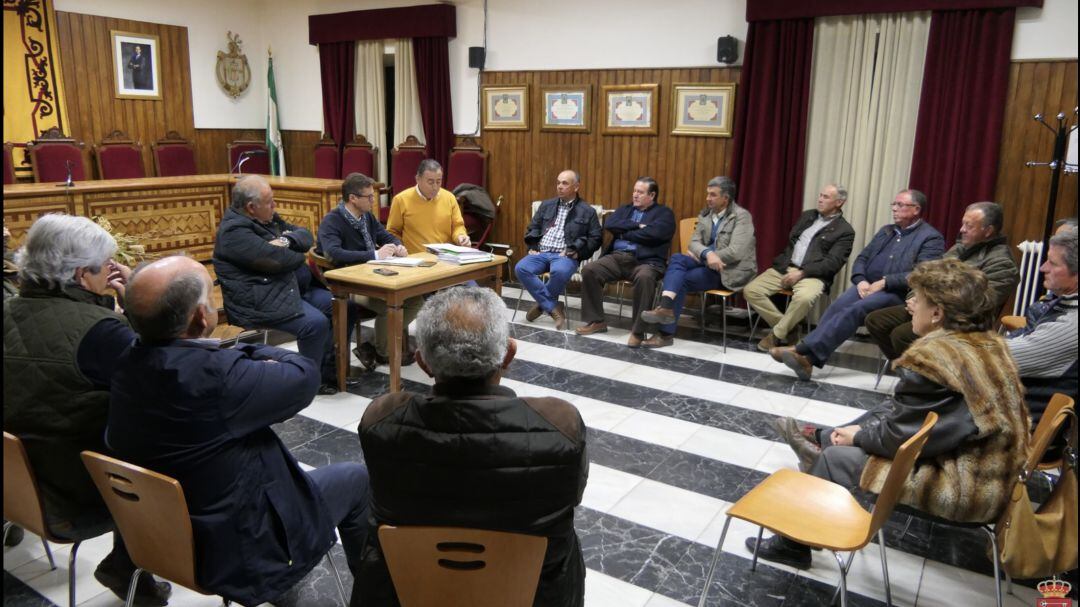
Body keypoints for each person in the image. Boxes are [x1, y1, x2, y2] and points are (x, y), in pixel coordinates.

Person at [107, 255, 371, 606]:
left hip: (160, 537)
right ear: (203, 317)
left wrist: (143, 307)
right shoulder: (218, 376)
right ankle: (375, 596)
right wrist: (244, 348)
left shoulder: (125, 362)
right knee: (356, 478)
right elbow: (305, 375)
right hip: (239, 548)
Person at [757, 259, 1030, 569]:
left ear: (937, 314)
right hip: (992, 472)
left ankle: (793, 544)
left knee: (836, 460)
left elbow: (900, 439)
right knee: (878, 413)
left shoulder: (936, 360)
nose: (909, 304)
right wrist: (860, 435)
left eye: (917, 299)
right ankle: (823, 449)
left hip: (969, 487)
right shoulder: (987, 345)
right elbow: (911, 420)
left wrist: (858, 436)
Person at [357, 287, 588, 606]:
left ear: (423, 364)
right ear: (508, 355)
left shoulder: (380, 420)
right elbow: (572, 495)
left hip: (405, 589)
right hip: (534, 593)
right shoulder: (561, 425)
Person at [3, 214, 170, 605]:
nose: (112, 271)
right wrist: (136, 308)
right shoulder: (100, 331)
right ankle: (129, 567)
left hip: (19, 482)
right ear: (81, 276)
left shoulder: (9, 308)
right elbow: (165, 380)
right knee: (176, 443)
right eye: (107, 266)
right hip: (75, 491)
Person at [773, 189, 944, 380]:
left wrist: (885, 282)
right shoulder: (886, 231)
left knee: (857, 309)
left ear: (916, 209)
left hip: (896, 292)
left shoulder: (930, 237)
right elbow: (862, 258)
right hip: (867, 285)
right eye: (893, 205)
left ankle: (801, 349)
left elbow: (922, 274)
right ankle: (808, 360)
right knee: (837, 307)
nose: (894, 209)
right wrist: (861, 280)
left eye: (900, 205)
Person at [213, 174, 356, 394]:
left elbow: (307, 236)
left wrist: (285, 241)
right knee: (314, 324)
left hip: (289, 289)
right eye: (270, 202)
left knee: (344, 306)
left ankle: (329, 371)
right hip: (260, 299)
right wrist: (293, 251)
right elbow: (283, 260)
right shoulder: (234, 233)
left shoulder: (267, 218)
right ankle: (306, 381)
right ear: (251, 207)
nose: (275, 205)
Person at [864, 201, 1018, 361]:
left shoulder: (1002, 263)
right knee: (876, 321)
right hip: (929, 308)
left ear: (988, 231)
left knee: (901, 335)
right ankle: (911, 369)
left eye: (969, 226)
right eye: (963, 223)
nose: (961, 230)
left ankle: (927, 375)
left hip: (957, 321)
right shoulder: (959, 249)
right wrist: (914, 299)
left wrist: (931, 308)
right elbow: (926, 278)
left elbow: (979, 305)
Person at [317, 172, 419, 371]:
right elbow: (333, 254)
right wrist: (373, 255)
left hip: (375, 277)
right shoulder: (333, 221)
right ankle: (383, 352)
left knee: (417, 300)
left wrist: (398, 246)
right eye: (369, 197)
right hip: (350, 286)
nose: (374, 200)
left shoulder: (367, 217)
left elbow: (386, 236)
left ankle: (372, 347)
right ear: (353, 198)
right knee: (391, 306)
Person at [639, 176, 757, 348]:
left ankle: (665, 332)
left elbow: (736, 252)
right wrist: (708, 254)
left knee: (681, 280)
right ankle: (665, 309)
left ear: (726, 198)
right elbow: (693, 243)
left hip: (729, 272)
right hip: (707, 264)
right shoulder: (706, 214)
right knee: (678, 258)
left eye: (713, 195)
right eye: (707, 194)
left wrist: (704, 255)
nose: (708, 198)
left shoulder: (742, 217)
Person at [743, 184, 855, 351]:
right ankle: (790, 328)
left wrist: (803, 272)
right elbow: (792, 242)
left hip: (813, 275)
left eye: (825, 197)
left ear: (839, 202)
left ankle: (777, 335)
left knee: (804, 298)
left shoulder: (845, 230)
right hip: (786, 267)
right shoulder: (807, 216)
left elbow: (833, 263)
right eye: (820, 195)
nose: (820, 199)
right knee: (751, 290)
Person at [575, 177, 675, 344]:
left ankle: (638, 331)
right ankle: (597, 321)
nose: (635, 195)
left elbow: (655, 235)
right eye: (634, 191)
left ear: (652, 195)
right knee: (590, 270)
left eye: (640, 192)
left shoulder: (664, 214)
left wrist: (624, 232)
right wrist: (637, 225)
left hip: (646, 261)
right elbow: (611, 224)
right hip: (617, 257)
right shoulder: (626, 209)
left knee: (645, 277)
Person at [1006, 226, 1077, 424]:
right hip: (1012, 409)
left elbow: (994, 359)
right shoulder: (1060, 302)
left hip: (1020, 427)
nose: (1042, 268)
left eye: (1053, 263)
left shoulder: (1072, 325)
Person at [516, 170, 602, 330]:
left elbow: (596, 238)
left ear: (576, 187)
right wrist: (533, 246)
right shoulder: (546, 205)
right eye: (558, 183)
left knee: (560, 272)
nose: (560, 187)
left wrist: (579, 253)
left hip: (565, 255)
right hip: (541, 252)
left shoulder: (587, 211)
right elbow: (533, 227)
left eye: (565, 183)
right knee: (521, 268)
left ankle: (543, 306)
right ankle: (553, 307)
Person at [386, 159, 470, 254]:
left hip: (446, 258)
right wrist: (398, 248)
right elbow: (393, 232)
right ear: (418, 179)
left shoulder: (449, 198)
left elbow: (457, 226)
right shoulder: (401, 200)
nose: (435, 187)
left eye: (438, 182)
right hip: (415, 259)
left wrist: (461, 236)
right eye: (430, 182)